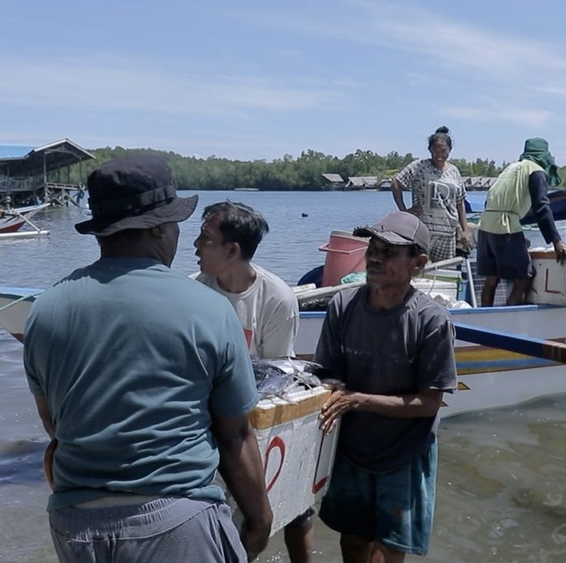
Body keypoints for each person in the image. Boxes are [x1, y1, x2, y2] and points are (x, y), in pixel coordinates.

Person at [23, 154, 273, 563]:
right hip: (175, 522)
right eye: (175, 222)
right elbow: (234, 436)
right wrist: (259, 522)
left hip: (74, 524)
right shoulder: (207, 308)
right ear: (158, 226)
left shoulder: (45, 309)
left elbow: (55, 425)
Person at [314, 211, 457, 563]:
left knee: (387, 551)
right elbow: (327, 376)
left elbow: (429, 403)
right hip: (352, 448)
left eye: (389, 252)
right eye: (373, 249)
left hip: (404, 452)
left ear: (418, 264)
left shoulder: (431, 321)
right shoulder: (342, 306)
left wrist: (358, 400)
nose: (375, 258)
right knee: (352, 542)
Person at [192, 200, 312, 563]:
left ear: (232, 250)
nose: (195, 245)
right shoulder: (192, 291)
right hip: (206, 420)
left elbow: (276, 377)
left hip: (255, 418)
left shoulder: (276, 299)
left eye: (205, 238)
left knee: (294, 512)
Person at [476, 138, 566, 307]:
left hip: (485, 225)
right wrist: (556, 240)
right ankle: (512, 318)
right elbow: (541, 206)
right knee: (523, 278)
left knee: (492, 278)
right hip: (505, 227)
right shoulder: (536, 170)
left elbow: (492, 199)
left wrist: (517, 235)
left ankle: (485, 317)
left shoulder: (510, 168)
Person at [391, 126, 471, 262]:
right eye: (435, 151)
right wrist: (404, 211)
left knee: (444, 270)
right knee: (419, 267)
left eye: (443, 151)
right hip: (423, 230)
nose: (439, 155)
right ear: (430, 150)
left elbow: (460, 202)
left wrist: (465, 230)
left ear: (450, 150)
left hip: (448, 233)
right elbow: (396, 183)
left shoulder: (454, 171)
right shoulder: (419, 166)